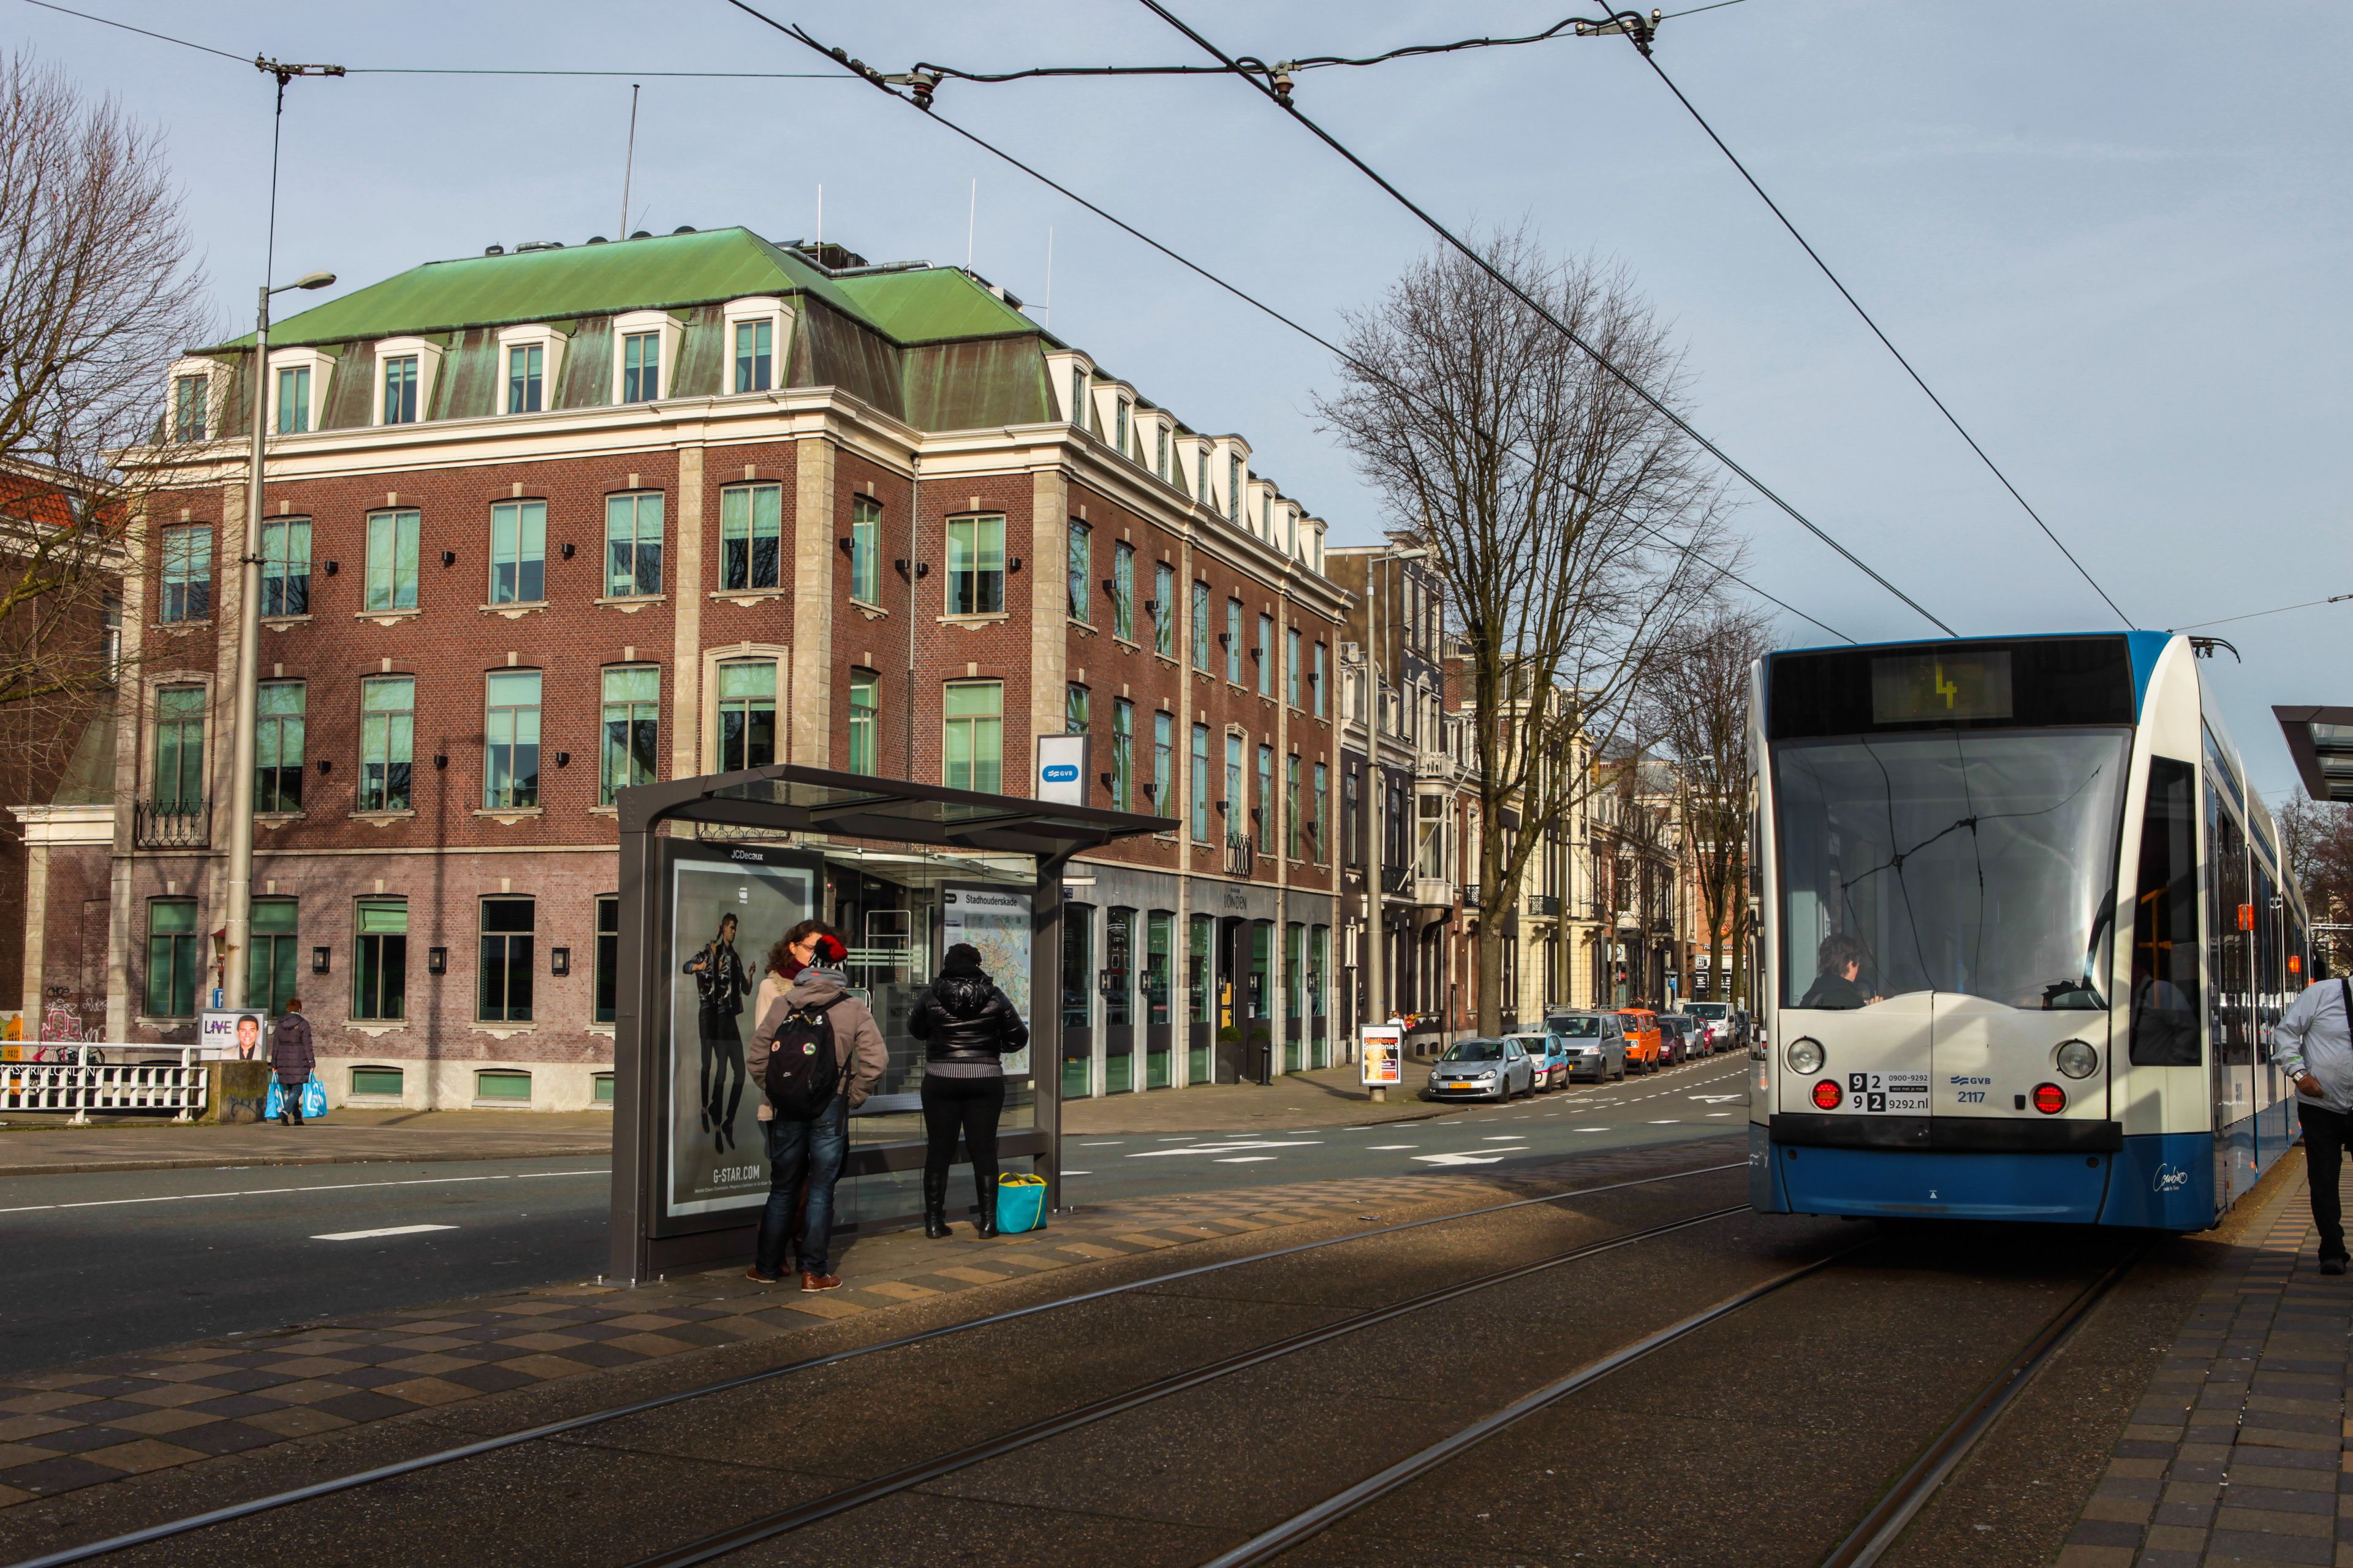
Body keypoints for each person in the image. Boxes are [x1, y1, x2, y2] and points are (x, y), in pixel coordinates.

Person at [746, 919, 885, 1291]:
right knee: (822, 1190)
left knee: (783, 1187)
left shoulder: (782, 1002)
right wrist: (852, 1095)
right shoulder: (853, 1007)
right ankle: (814, 1272)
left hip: (787, 1107)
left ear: (809, 968)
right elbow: (876, 1062)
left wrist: (777, 1091)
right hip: (830, 1106)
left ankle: (766, 1268)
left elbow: (758, 1058)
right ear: (839, 969)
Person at [907, 942, 1030, 1240]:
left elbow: (916, 1030)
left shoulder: (931, 995)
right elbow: (1019, 1037)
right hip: (985, 1077)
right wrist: (991, 1048)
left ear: (947, 964)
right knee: (984, 1149)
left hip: (941, 1077)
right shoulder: (995, 995)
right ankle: (988, 1223)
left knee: (939, 1150)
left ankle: (934, 1223)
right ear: (977, 964)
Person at [2273, 951, 2353, 1275]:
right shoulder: (2321, 993)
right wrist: (2299, 1075)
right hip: (2320, 1106)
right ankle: (2332, 1251)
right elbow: (2286, 1034)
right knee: (2323, 1181)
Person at [684, 912, 750, 1151]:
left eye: (736, 928)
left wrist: (749, 977)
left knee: (740, 1073)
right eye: (731, 927)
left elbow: (744, 987)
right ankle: (715, 1118)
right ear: (722, 929)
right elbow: (687, 967)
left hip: (730, 1018)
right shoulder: (712, 953)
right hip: (716, 1017)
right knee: (717, 1068)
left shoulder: (735, 957)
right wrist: (702, 965)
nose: (734, 932)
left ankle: (727, 1119)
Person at [1800, 933, 1884, 1010]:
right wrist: (1872, 1012)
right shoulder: (1849, 1001)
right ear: (1850, 964)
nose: (1857, 971)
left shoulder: (1810, 997)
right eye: (1858, 966)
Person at [268, 999, 314, 1127]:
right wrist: (311, 1063)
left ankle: (298, 1118)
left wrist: (274, 1064)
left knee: (291, 1088)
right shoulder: (303, 1023)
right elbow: (307, 1045)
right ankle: (285, 1111)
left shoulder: (280, 1024)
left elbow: (275, 1045)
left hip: (283, 1059)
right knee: (298, 1088)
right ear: (300, 1010)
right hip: (300, 1059)